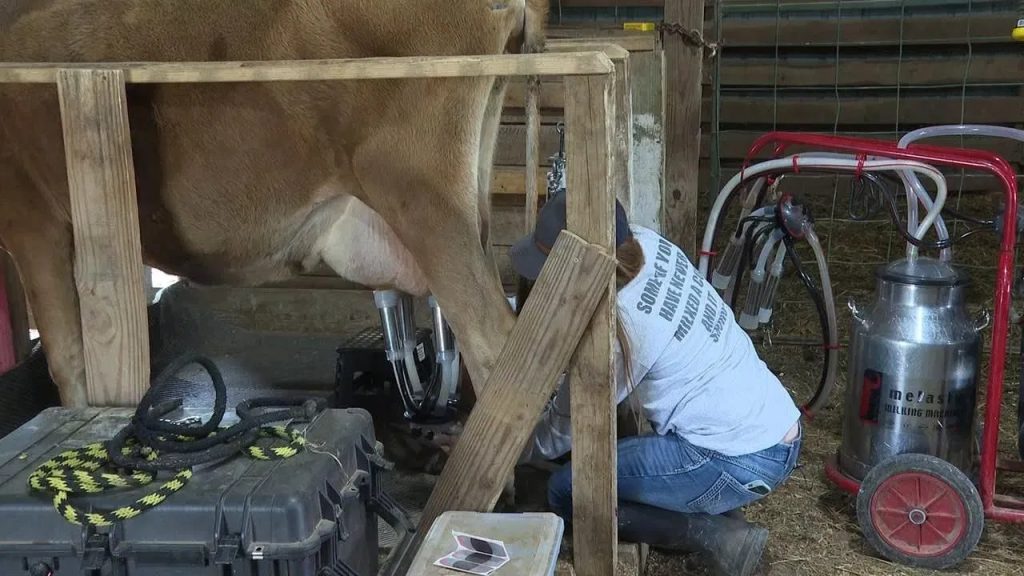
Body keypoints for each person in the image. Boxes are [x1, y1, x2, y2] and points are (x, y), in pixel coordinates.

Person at [511, 191, 802, 576]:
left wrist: (511, 447)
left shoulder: (616, 331)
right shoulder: (648, 244)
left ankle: (717, 537)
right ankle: (704, 501)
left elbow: (562, 431)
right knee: (617, 459)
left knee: (567, 490)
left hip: (737, 459)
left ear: (574, 271)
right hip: (775, 425)